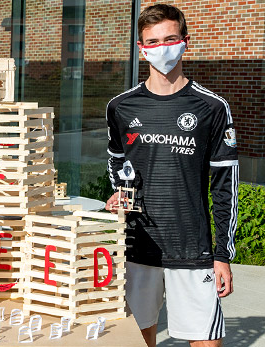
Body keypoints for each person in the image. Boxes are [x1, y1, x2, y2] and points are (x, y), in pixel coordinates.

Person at [105, 4, 238, 347]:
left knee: (207, 341)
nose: (161, 48)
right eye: (152, 41)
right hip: (138, 244)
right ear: (141, 48)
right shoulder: (121, 107)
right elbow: (117, 162)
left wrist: (222, 254)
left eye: (170, 39)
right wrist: (119, 191)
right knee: (136, 337)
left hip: (192, 246)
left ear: (185, 42)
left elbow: (225, 186)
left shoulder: (211, 107)